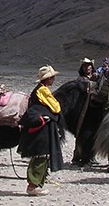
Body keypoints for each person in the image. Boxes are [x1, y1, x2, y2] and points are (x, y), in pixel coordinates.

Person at [18, 65, 64, 196]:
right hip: (42, 129)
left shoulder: (41, 90)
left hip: (41, 127)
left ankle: (37, 184)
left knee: (41, 155)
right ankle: (33, 186)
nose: (54, 79)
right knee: (41, 155)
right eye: (52, 77)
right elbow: (56, 108)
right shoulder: (43, 91)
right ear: (47, 79)